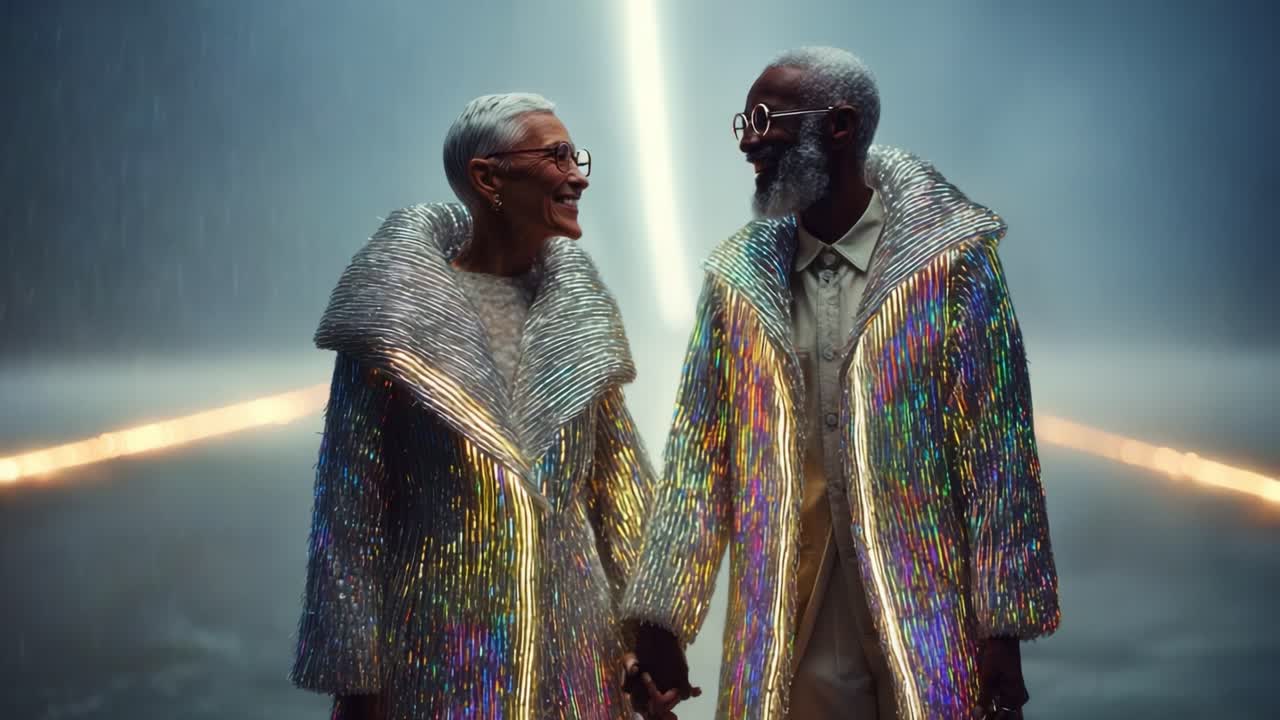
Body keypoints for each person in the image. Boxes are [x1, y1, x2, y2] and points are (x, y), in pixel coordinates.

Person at [620, 47, 1060, 720]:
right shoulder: (738, 284)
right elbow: (698, 455)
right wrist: (662, 617)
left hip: (925, 610)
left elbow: (997, 448)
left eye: (767, 119)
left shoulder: (951, 266)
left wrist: (1002, 628)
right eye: (744, 120)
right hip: (788, 612)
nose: (749, 139)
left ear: (841, 125)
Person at [292, 93, 655, 720]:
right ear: (488, 177)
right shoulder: (394, 315)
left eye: (578, 155)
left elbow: (620, 492)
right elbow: (348, 515)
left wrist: (644, 641)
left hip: (577, 661)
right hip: (436, 658)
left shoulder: (580, 316)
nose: (578, 174)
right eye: (557, 156)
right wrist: (357, 682)